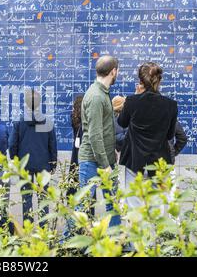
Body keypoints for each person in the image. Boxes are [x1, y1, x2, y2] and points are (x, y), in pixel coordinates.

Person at [118, 62, 178, 208]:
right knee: (157, 209)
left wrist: (135, 98)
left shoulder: (132, 101)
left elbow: (122, 122)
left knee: (134, 207)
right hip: (158, 162)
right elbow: (170, 135)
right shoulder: (171, 105)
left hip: (133, 160)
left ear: (140, 81)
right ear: (159, 80)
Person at [77, 55, 121, 227]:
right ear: (113, 71)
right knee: (83, 205)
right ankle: (65, 244)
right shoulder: (96, 97)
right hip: (94, 162)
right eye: (117, 71)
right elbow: (95, 135)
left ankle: (117, 243)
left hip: (104, 160)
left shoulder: (102, 94)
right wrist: (106, 165)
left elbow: (101, 127)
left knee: (114, 205)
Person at [8, 89, 57, 227]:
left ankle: (28, 228)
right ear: (40, 103)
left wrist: (15, 160)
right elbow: (52, 144)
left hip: (25, 165)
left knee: (27, 196)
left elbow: (12, 144)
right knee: (43, 196)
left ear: (26, 104)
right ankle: (43, 227)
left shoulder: (19, 122)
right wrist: (53, 164)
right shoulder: (47, 121)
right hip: (43, 164)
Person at [69, 95, 84, 196]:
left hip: (75, 150)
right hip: (84, 150)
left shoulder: (73, 117)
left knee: (74, 176)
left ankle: (72, 201)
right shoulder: (86, 118)